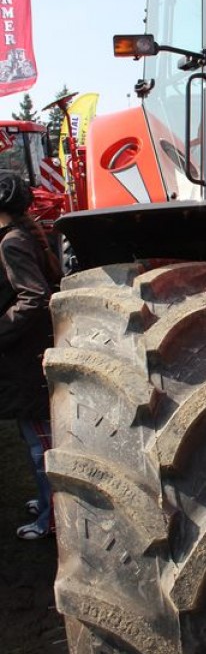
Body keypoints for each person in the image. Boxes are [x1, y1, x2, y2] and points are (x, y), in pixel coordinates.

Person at [0, 170, 60, 539]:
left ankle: (52, 518)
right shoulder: (22, 234)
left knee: (41, 440)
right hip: (27, 353)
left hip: (26, 357)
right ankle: (47, 500)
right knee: (36, 435)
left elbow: (33, 296)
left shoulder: (11, 242)